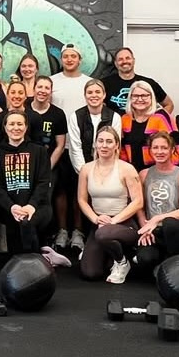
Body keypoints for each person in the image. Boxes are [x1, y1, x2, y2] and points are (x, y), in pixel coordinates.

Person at [77, 127, 143, 284]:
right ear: (95, 144)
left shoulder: (127, 169)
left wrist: (113, 221)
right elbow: (82, 200)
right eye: (100, 141)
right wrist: (95, 219)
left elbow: (138, 201)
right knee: (90, 273)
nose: (104, 145)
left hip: (124, 224)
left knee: (103, 234)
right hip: (99, 223)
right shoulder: (86, 169)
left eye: (109, 141)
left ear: (116, 145)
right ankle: (109, 256)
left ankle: (122, 262)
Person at [62, 79, 121, 253]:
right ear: (85, 95)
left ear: (104, 95)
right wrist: (85, 173)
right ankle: (79, 232)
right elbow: (75, 147)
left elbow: (114, 145)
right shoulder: (76, 116)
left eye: (97, 92)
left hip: (108, 167)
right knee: (79, 197)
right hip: (81, 167)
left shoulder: (114, 117)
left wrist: (103, 171)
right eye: (90, 92)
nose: (94, 95)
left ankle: (105, 232)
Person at [0, 111, 52, 254]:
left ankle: (39, 258)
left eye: (19, 124)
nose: (15, 128)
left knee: (27, 223)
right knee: (14, 250)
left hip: (37, 207)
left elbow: (43, 182)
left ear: (26, 127)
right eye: (11, 124)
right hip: (9, 208)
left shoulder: (39, 151)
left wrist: (31, 205)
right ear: (5, 127)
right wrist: (11, 207)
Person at [134, 132, 179, 273]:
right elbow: (139, 207)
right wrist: (145, 227)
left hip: (177, 230)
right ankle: (161, 262)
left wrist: (157, 218)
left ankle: (174, 266)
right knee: (145, 259)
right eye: (155, 148)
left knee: (169, 223)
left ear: (172, 150)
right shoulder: (144, 174)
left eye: (164, 148)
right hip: (154, 230)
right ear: (150, 150)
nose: (159, 151)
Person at [25, 76, 68, 250]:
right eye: (40, 87)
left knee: (45, 201)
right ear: (34, 89)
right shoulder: (24, 109)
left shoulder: (57, 114)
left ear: (51, 92)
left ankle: (47, 240)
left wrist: (45, 169)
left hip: (49, 166)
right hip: (25, 167)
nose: (42, 91)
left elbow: (60, 145)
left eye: (46, 88)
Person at [119, 80, 179, 172]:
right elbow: (121, 149)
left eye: (144, 96)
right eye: (135, 96)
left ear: (151, 97)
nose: (140, 99)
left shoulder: (161, 117)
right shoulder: (125, 119)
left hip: (161, 172)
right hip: (132, 171)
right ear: (130, 98)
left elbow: (175, 148)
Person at [102, 47, 174, 115]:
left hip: (143, 124)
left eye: (128, 58)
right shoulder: (104, 84)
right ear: (115, 63)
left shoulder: (148, 83)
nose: (124, 61)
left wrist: (158, 119)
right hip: (115, 124)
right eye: (120, 59)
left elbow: (169, 104)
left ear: (133, 61)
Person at [0, 81, 43, 147]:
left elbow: (38, 144)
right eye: (13, 92)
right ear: (7, 95)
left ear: (25, 96)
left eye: (20, 93)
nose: (16, 96)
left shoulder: (35, 117)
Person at [50, 43, 90, 115]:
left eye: (73, 56)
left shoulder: (90, 83)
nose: (69, 59)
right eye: (65, 56)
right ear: (61, 60)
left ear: (80, 60)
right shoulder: (51, 81)